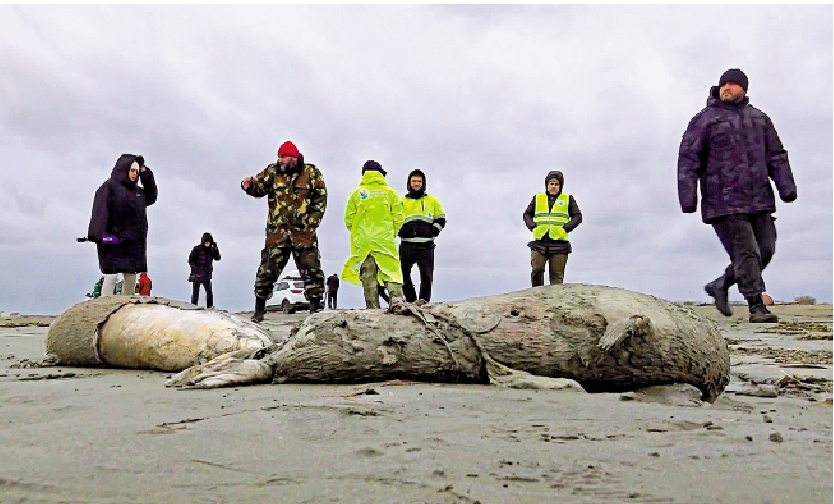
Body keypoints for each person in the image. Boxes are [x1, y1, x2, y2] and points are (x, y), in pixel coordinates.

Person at [678, 68, 797, 324]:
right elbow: (688, 159)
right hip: (723, 201)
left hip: (759, 199)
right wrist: (688, 197)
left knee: (765, 249)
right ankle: (756, 306)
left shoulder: (760, 119)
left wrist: (786, 186)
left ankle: (721, 284)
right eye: (724, 85)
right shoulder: (704, 120)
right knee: (747, 252)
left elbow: (776, 155)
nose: (727, 88)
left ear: (744, 89)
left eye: (733, 84)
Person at [241, 141, 328, 322]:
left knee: (311, 270)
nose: (280, 160)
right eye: (279, 157)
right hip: (277, 232)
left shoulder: (311, 173)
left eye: (283, 157)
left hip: (303, 233)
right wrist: (248, 186)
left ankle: (315, 310)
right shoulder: (273, 172)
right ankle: (259, 311)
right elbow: (259, 188)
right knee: (267, 270)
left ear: (293, 157)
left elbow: (320, 197)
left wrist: (311, 222)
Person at [87, 154, 158, 296]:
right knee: (111, 274)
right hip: (112, 239)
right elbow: (99, 211)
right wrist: (99, 235)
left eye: (137, 172)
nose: (134, 174)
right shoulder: (108, 187)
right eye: (132, 170)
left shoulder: (138, 193)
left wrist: (146, 173)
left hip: (133, 242)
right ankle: (104, 306)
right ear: (123, 169)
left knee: (131, 275)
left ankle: (127, 307)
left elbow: (151, 195)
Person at [342, 160, 405, 309]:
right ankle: (396, 301)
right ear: (381, 174)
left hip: (364, 242)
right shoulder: (390, 193)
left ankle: (372, 308)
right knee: (391, 271)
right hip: (384, 239)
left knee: (368, 276)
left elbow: (348, 220)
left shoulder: (356, 194)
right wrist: (391, 233)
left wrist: (359, 234)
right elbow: (399, 218)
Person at [522, 171, 582, 286]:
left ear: (560, 186)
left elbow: (577, 217)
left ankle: (555, 302)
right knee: (537, 270)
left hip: (559, 243)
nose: (553, 186)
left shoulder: (568, 199)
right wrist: (532, 226)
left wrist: (566, 228)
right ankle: (537, 297)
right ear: (547, 185)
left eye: (556, 184)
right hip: (539, 242)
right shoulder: (538, 198)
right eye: (551, 184)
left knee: (556, 277)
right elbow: (527, 214)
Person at [398, 169, 446, 303]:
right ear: (409, 183)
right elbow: (393, 219)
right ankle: (411, 300)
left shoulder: (432, 200)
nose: (416, 184)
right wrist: (399, 230)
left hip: (426, 246)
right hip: (407, 245)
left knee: (426, 277)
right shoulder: (400, 201)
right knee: (403, 276)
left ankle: (424, 303)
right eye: (414, 181)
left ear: (423, 183)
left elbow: (440, 218)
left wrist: (435, 230)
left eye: (419, 181)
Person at [188, 232, 221, 308]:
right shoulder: (197, 249)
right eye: (206, 242)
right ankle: (193, 306)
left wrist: (216, 248)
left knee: (209, 292)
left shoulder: (211, 250)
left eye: (208, 242)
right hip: (197, 273)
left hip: (206, 274)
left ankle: (210, 307)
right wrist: (194, 268)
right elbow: (191, 259)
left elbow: (217, 258)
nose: (207, 244)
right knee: (196, 292)